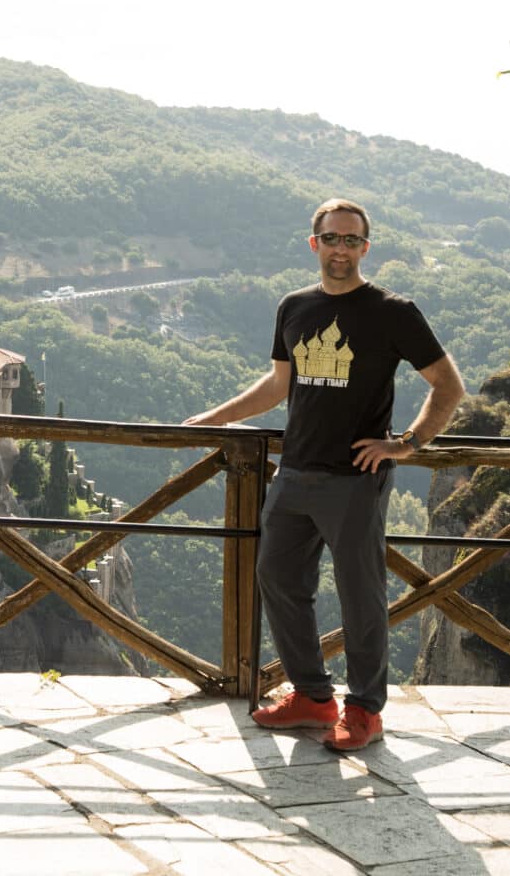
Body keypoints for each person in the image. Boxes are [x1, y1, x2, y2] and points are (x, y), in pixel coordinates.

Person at [185, 198, 464, 751]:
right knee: (279, 579)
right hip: (293, 472)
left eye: (351, 240)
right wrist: (216, 418)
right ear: (314, 244)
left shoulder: (393, 310)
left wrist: (406, 444)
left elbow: (447, 386)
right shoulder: (294, 307)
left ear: (366, 246)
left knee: (361, 596)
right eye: (331, 239)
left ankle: (364, 710)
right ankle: (313, 697)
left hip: (355, 477)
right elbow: (278, 385)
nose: (341, 249)